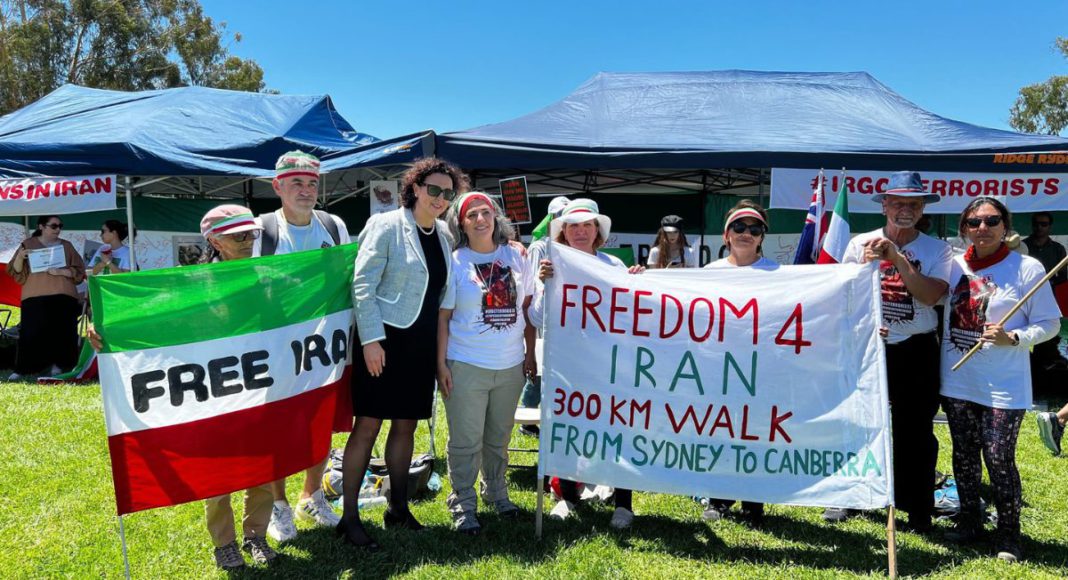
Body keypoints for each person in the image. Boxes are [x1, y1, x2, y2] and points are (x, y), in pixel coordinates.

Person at [86, 205, 277, 571]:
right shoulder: (192, 285)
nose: (249, 241)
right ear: (215, 241)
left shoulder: (268, 278)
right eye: (240, 235)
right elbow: (151, 319)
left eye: (253, 234)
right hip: (214, 390)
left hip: (260, 385)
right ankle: (224, 543)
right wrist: (106, 331)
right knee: (219, 471)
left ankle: (257, 533)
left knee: (264, 465)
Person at [339, 157, 465, 551]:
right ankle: (349, 517)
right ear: (415, 188)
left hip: (421, 344)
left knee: (406, 426)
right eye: (434, 190)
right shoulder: (387, 224)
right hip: (385, 342)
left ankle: (397, 508)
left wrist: (439, 356)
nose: (440, 198)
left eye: (448, 192)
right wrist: (371, 340)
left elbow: (443, 295)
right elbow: (362, 283)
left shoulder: (444, 235)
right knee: (368, 426)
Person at [824, 171, 951, 533]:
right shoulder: (858, 243)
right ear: (884, 205)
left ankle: (917, 507)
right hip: (867, 346)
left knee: (915, 430)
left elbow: (930, 296)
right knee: (857, 423)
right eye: (897, 202)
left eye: (913, 203)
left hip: (916, 349)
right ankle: (849, 496)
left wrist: (896, 258)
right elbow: (842, 298)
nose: (905, 209)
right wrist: (866, 268)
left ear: (923, 207)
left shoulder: (938, 249)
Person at [941, 197, 1061, 562]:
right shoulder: (952, 264)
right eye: (975, 222)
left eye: (992, 221)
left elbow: (1050, 323)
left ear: (1005, 227)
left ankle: (1009, 534)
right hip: (957, 377)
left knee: (998, 456)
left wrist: (1015, 338)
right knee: (963, 455)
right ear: (964, 228)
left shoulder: (1026, 267)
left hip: (1003, 383)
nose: (983, 228)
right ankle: (969, 520)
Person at [529, 198, 644, 529]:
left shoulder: (614, 268)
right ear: (564, 231)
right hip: (566, 364)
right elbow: (536, 317)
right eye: (573, 226)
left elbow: (636, 315)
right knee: (566, 427)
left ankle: (624, 503)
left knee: (617, 429)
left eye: (587, 225)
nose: (580, 231)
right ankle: (566, 496)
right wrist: (543, 286)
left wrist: (639, 283)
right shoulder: (552, 266)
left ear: (598, 231)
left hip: (609, 365)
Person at [255, 151, 351, 543]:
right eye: (296, 183)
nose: (306, 191)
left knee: (320, 425)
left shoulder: (333, 225)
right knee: (277, 429)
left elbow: (348, 278)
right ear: (277, 186)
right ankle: (277, 505)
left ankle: (311, 496)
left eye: (312, 183)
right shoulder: (261, 230)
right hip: (275, 350)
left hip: (324, 347)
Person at [436, 192, 537, 535]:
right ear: (460, 223)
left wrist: (530, 354)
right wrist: (441, 365)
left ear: (496, 216)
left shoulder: (516, 255)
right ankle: (463, 502)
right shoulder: (455, 261)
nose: (481, 219)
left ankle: (496, 492)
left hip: (510, 365)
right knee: (465, 440)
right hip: (466, 363)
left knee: (498, 437)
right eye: (472, 215)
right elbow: (444, 317)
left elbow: (526, 309)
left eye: (486, 212)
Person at [700, 200, 777, 524]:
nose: (746, 233)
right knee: (721, 430)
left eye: (754, 229)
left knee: (755, 431)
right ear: (726, 235)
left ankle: (753, 503)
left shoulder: (778, 274)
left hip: (759, 366)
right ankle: (718, 499)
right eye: (739, 227)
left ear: (761, 237)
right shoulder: (707, 274)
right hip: (718, 365)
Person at [6, 215, 85, 380]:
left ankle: (60, 365)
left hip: (63, 295)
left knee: (62, 332)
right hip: (34, 295)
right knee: (31, 332)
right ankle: (24, 369)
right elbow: (16, 272)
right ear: (41, 226)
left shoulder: (66, 245)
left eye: (60, 226)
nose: (58, 229)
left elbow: (79, 271)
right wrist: (20, 257)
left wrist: (61, 272)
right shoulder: (28, 244)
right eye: (54, 226)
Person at [1022, 211, 1067, 372]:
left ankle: (1046, 368)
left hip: (1048, 298)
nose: (1040, 227)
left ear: (1050, 227)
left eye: (1044, 224)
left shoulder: (1058, 249)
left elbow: (1063, 276)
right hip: (1025, 298)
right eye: (1037, 224)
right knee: (1023, 332)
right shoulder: (1022, 247)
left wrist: (1047, 283)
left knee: (1047, 333)